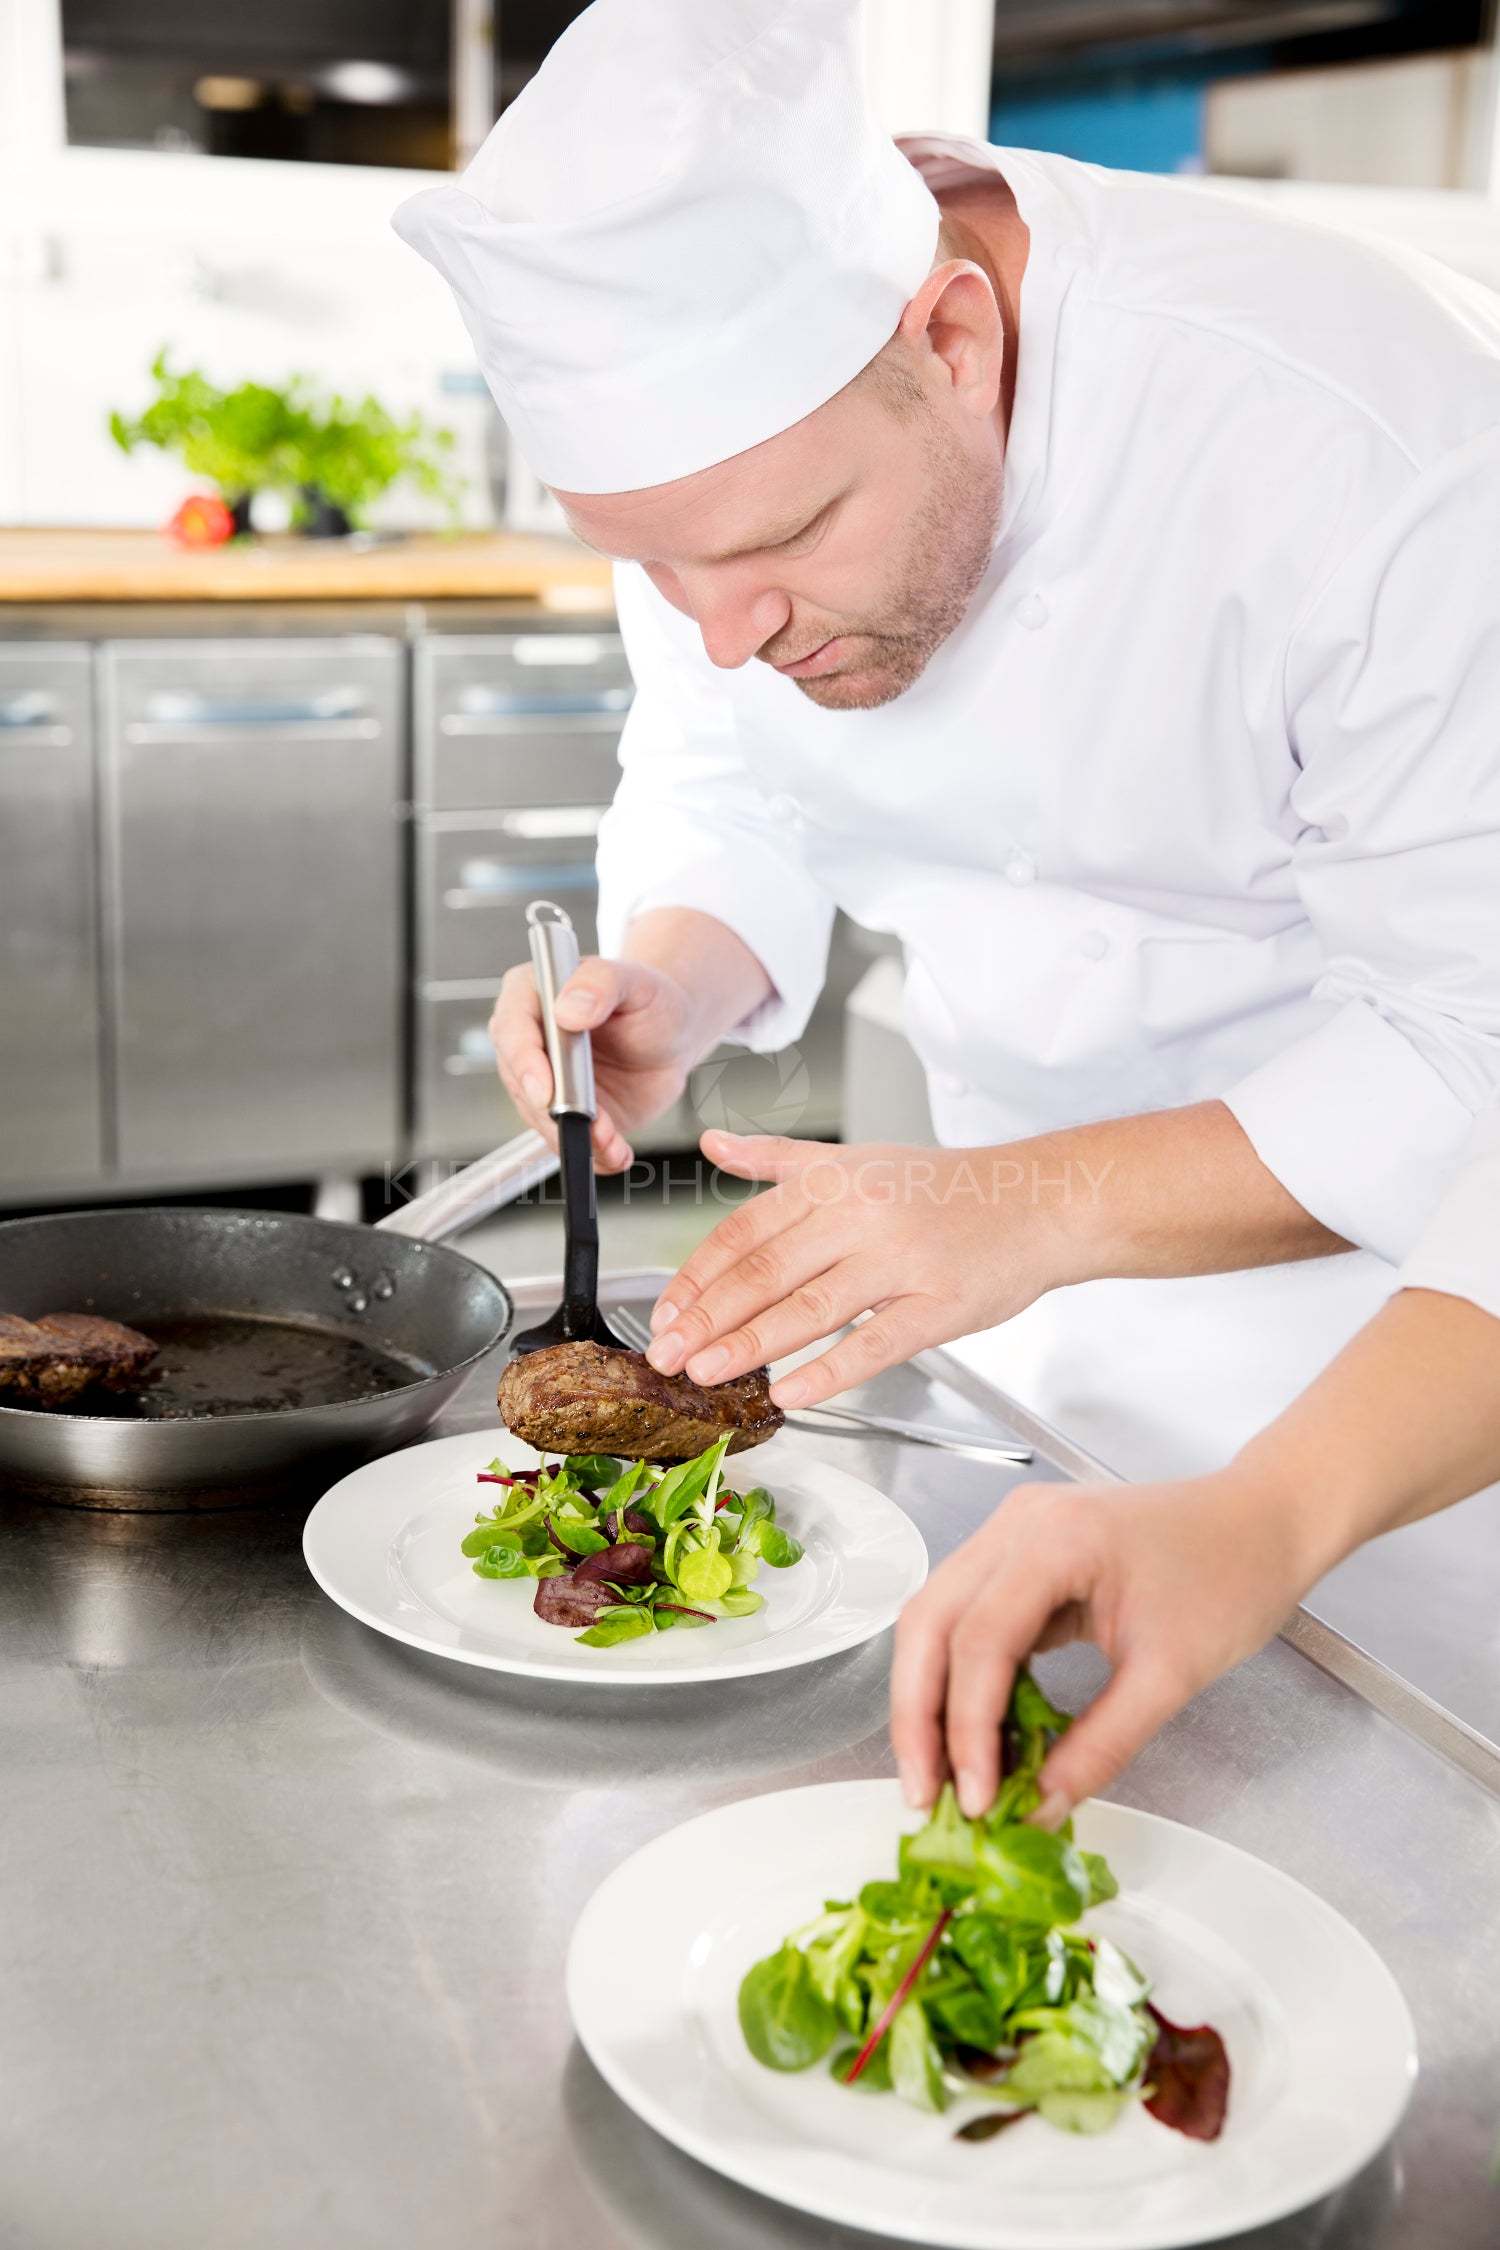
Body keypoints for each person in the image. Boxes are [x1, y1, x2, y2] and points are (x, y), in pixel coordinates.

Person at [397, 3, 1500, 1782]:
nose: (719, 626)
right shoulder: (729, 469)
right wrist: (670, 980)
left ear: (956, 335)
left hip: (1406, 1413)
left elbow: (1475, 1055)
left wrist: (1021, 1203)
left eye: (767, 546)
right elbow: (725, 770)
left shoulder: (1388, 449)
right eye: (651, 565)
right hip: (1030, 1366)